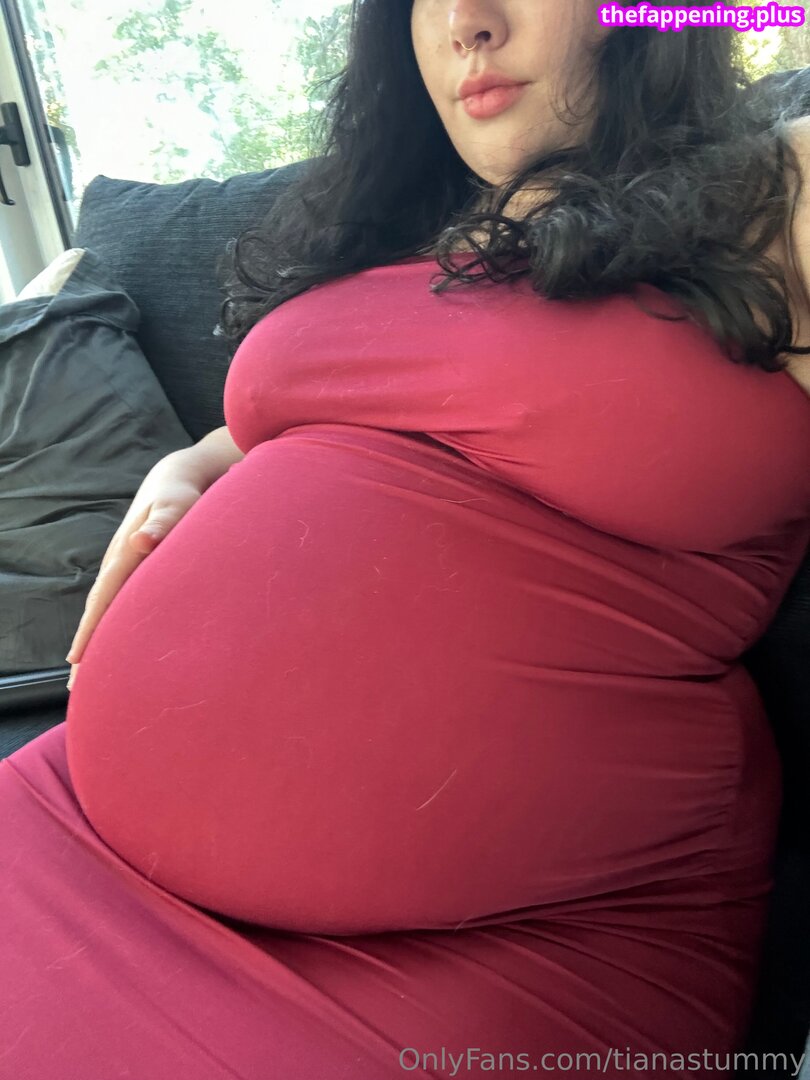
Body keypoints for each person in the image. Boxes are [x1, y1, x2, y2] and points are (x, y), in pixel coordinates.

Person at [3, 1, 810, 1077]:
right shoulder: (401, 235)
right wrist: (192, 463)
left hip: (489, 957)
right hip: (67, 833)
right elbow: (348, 402)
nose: (467, 23)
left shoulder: (776, 198)